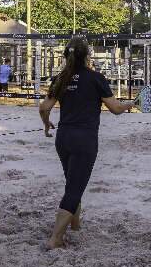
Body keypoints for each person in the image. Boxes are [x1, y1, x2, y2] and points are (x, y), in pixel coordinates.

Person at [38, 37, 133, 249]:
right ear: (87, 55)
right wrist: (129, 104)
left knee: (73, 183)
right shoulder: (96, 78)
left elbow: (44, 108)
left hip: (63, 139)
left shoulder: (60, 79)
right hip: (85, 140)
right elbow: (115, 109)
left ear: (66, 56)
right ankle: (55, 239)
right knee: (74, 188)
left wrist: (46, 125)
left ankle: (75, 226)